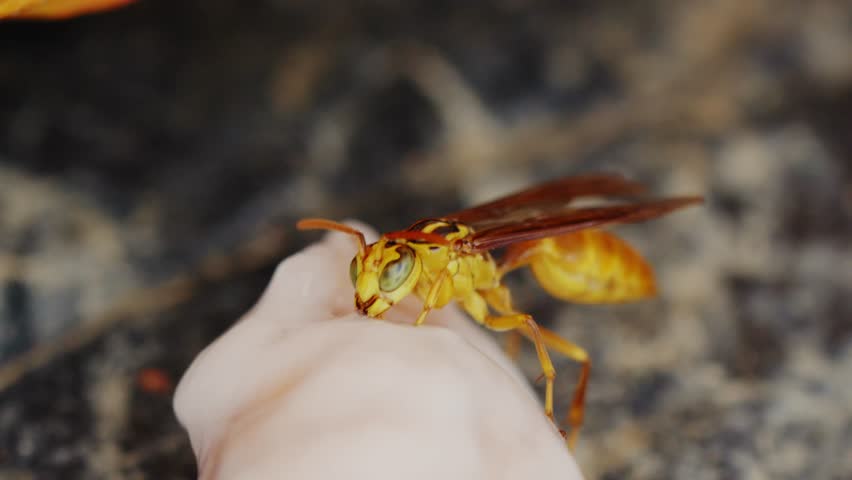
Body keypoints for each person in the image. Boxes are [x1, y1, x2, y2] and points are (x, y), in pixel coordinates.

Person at [174, 221, 583, 479]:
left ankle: (552, 412)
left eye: (388, 273)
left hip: (574, 260)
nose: (366, 291)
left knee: (535, 329)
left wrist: (546, 417)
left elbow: (521, 321)